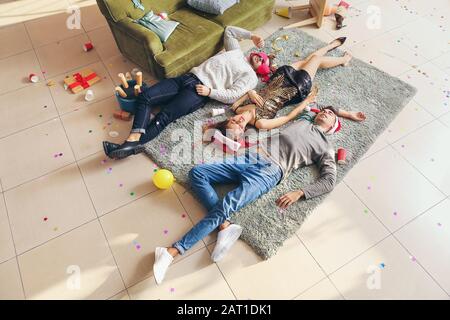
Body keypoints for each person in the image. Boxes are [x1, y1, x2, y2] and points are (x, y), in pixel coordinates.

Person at [152, 104, 366, 285]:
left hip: (270, 172)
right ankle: (225, 227)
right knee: (197, 173)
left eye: (331, 115)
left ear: (332, 127)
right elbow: (319, 106)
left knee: (226, 204)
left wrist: (300, 192)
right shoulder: (305, 119)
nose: (326, 112)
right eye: (324, 111)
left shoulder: (325, 147)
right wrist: (343, 113)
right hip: (250, 156)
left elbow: (329, 180)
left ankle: (172, 252)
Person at [103, 26, 265, 160]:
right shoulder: (236, 51)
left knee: (164, 116)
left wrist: (210, 91)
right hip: (186, 78)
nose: (261, 58)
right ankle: (132, 143)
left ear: (262, 71)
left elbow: (232, 95)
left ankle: (128, 145)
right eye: (262, 56)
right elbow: (229, 30)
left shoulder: (251, 77)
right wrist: (252, 36)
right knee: (145, 97)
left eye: (264, 62)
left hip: (199, 92)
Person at [206, 38, 356, 139]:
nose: (239, 120)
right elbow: (288, 117)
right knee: (315, 60)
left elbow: (248, 91)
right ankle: (344, 60)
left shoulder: (237, 108)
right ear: (243, 130)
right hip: (296, 88)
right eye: (240, 125)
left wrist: (250, 93)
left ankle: (331, 46)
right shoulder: (261, 123)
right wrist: (307, 101)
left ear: (229, 119)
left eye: (234, 121)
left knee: (306, 60)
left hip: (279, 78)